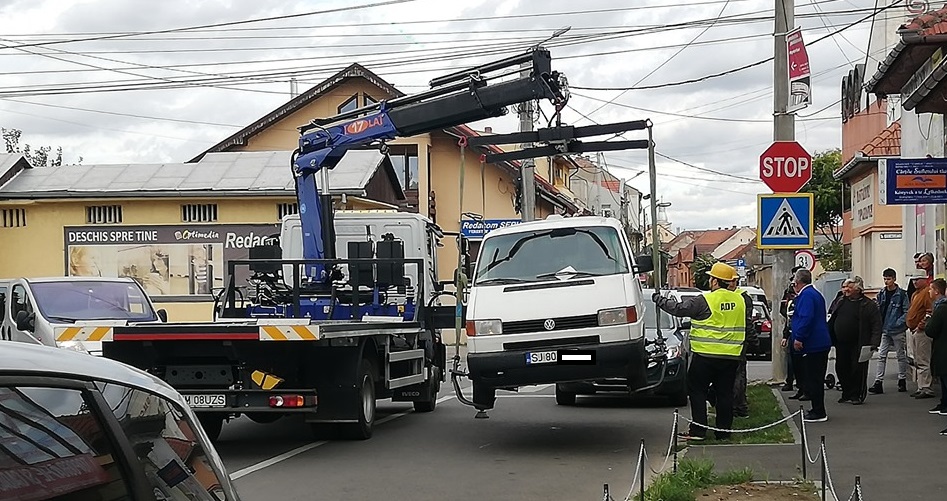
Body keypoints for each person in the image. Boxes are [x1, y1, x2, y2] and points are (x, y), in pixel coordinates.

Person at [653, 262, 746, 440]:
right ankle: (724, 432)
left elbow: (679, 309)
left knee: (696, 390)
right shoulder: (740, 299)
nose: (710, 280)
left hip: (706, 355)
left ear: (716, 281)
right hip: (731, 356)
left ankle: (699, 430)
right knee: (725, 393)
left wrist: (660, 300)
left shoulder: (706, 299)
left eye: (712, 278)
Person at [827, 277, 882, 405]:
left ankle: (857, 395)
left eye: (849, 287)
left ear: (858, 289)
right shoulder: (840, 301)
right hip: (841, 343)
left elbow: (876, 325)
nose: (845, 290)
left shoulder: (868, 304)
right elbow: (831, 316)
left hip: (860, 343)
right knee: (841, 368)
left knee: (857, 370)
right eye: (844, 287)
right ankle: (846, 393)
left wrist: (874, 343)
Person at [789, 268, 832, 422]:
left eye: (794, 282)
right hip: (818, 342)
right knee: (815, 377)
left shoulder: (806, 296)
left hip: (813, 343)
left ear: (798, 282)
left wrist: (799, 337)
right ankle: (817, 408)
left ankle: (818, 411)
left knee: (813, 378)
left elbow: (806, 318)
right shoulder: (814, 294)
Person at [870, 268, 910, 394]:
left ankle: (902, 379)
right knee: (882, 355)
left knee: (900, 355)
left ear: (894, 279)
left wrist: (898, 323)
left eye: (889, 279)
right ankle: (878, 381)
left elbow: (906, 311)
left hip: (897, 329)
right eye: (885, 279)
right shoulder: (882, 293)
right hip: (885, 328)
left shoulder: (902, 294)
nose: (887, 281)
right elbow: (879, 309)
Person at [730, 272, 757, 418]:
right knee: (736, 376)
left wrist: (753, 339)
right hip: (732, 342)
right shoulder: (741, 297)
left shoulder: (743, 297)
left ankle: (739, 407)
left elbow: (747, 322)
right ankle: (736, 406)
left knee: (738, 376)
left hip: (737, 343)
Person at [922, 278, 947, 430]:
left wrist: (929, 320)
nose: (929, 292)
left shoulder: (942, 308)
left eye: (931, 289)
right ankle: (944, 403)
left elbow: (931, 330)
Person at [907, 274, 936, 399]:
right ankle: (921, 386)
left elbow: (930, 311)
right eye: (913, 280)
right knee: (918, 359)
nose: (914, 282)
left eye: (917, 280)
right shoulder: (916, 294)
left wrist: (921, 325)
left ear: (924, 280)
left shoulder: (926, 293)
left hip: (922, 332)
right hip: (914, 330)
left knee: (923, 359)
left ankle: (926, 387)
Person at [781, 266, 806, 396]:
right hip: (792, 331)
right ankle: (792, 383)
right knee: (792, 362)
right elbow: (785, 313)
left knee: (802, 364)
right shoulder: (789, 293)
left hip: (801, 335)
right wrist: (785, 334)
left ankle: (803, 388)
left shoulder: (806, 295)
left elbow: (806, 318)